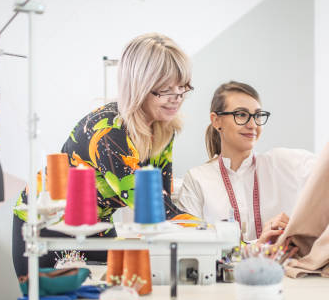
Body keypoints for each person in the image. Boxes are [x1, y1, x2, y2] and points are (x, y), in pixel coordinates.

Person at [12, 33, 195, 281]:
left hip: (95, 222)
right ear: (139, 85)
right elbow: (151, 209)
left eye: (182, 87)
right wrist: (215, 233)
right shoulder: (109, 133)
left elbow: (162, 199)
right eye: (165, 89)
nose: (177, 98)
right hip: (48, 225)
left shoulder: (164, 128)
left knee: (115, 294)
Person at [176, 62, 329, 245]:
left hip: (285, 281)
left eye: (258, 116)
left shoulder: (285, 163)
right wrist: (255, 245)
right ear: (216, 120)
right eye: (241, 115)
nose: (253, 125)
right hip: (219, 286)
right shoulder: (197, 180)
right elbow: (189, 245)